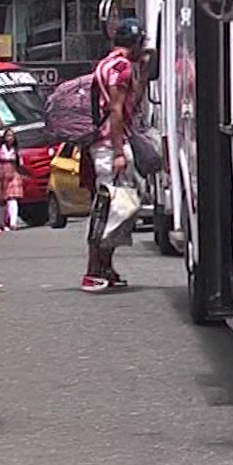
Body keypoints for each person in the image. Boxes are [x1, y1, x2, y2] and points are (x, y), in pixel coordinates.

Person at [81, 16, 148, 293]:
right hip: (112, 143)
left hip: (104, 141)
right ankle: (94, 270)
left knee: (117, 207)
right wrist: (119, 151)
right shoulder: (120, 68)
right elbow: (117, 110)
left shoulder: (107, 64)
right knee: (110, 208)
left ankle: (105, 268)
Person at [0, 128, 25, 232]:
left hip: (13, 172)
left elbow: (21, 163)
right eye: (8, 136)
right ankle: (2, 223)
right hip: (0, 173)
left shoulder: (16, 149)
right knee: (1, 199)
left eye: (11, 136)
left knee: (12, 198)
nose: (10, 138)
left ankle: (13, 223)